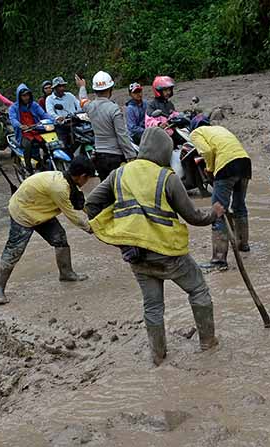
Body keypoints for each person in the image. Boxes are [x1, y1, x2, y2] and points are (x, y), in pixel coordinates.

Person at [85, 127, 219, 365]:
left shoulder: (119, 174)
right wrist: (214, 213)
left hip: (136, 255)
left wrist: (117, 235)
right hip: (170, 253)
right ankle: (208, 343)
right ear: (165, 152)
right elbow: (194, 217)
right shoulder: (167, 178)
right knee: (198, 291)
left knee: (153, 306)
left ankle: (158, 355)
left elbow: (91, 204)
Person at [0, 155, 94, 305]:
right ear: (82, 176)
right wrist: (90, 228)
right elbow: (72, 215)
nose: (87, 182)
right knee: (15, 250)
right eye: (88, 179)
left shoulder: (67, 182)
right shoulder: (59, 188)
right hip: (23, 212)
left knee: (59, 238)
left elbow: (81, 206)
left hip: (40, 210)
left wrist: (94, 216)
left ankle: (66, 273)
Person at [188, 125, 252, 271]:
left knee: (218, 211)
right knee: (239, 206)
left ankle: (219, 260)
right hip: (245, 163)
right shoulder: (218, 129)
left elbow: (206, 151)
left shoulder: (195, 133)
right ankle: (243, 244)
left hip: (227, 166)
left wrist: (210, 168)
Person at [87, 71, 137, 179]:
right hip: (114, 157)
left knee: (106, 190)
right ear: (110, 89)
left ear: (95, 90)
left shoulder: (90, 107)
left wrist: (81, 87)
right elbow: (122, 135)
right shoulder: (114, 109)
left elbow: (83, 100)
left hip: (99, 156)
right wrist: (131, 156)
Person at [8, 83, 54, 175]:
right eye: (24, 96)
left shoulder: (34, 105)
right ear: (19, 96)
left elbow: (43, 114)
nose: (26, 98)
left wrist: (54, 120)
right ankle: (29, 168)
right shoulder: (13, 108)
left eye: (27, 95)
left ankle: (46, 163)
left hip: (36, 130)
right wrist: (20, 125)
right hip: (23, 133)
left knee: (48, 143)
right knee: (28, 145)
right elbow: (13, 119)